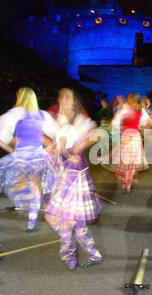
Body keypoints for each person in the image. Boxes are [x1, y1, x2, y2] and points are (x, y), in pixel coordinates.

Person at [0, 87, 57, 231]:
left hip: (22, 156)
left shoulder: (16, 114)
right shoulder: (42, 115)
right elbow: (56, 135)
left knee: (17, 183)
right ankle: (31, 222)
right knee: (35, 186)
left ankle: (23, 207)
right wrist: (48, 149)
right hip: (38, 156)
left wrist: (12, 150)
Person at [45, 88, 103, 270]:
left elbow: (97, 134)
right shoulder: (54, 119)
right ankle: (91, 253)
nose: (63, 100)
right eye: (61, 97)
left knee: (66, 218)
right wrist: (52, 146)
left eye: (68, 98)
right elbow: (42, 134)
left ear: (74, 102)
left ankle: (70, 252)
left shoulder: (80, 120)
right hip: (59, 173)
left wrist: (78, 148)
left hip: (75, 175)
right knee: (61, 219)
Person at [112, 93, 152, 194]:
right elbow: (149, 122)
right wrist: (142, 127)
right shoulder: (140, 110)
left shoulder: (125, 109)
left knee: (123, 161)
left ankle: (126, 182)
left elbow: (115, 123)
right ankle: (127, 183)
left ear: (130, 99)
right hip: (135, 137)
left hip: (126, 136)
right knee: (132, 162)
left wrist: (118, 130)